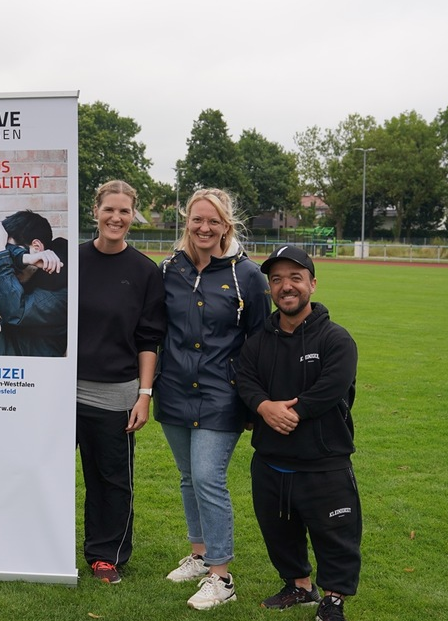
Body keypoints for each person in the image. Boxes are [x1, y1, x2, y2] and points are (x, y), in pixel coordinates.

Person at [154, 188, 270, 610]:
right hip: (174, 391)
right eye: (197, 220)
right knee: (188, 478)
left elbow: (260, 341)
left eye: (214, 221)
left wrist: (255, 401)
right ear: (187, 221)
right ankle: (200, 554)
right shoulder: (169, 269)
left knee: (207, 477)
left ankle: (222, 577)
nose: (204, 228)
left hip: (223, 396)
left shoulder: (248, 275)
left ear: (227, 226)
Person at [237, 245, 360, 621]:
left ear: (312, 284)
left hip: (323, 461)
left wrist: (292, 411)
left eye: (295, 278)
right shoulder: (258, 341)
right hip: (272, 461)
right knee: (279, 533)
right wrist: (262, 407)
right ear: (270, 289)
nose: (286, 286)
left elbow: (332, 387)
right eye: (276, 280)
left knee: (334, 534)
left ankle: (333, 599)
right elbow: (244, 378)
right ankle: (299, 585)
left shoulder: (336, 339)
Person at [76, 181, 166, 583]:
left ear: (133, 215)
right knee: (43, 470)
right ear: (95, 211)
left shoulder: (145, 271)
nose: (116, 217)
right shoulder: (71, 260)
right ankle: (41, 548)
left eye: (124, 211)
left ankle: (105, 556)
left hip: (115, 394)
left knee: (110, 480)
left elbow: (148, 340)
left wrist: (143, 395)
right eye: (109, 209)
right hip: (59, 392)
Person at [0, 209, 69, 357]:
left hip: (36, 377)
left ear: (36, 247)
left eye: (12, 254)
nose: (8, 261)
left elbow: (17, 311)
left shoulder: (61, 291)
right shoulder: (26, 279)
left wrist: (0, 253)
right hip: (5, 374)